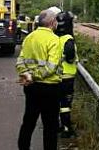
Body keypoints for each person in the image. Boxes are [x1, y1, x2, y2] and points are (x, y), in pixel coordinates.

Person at [16, 9, 62, 150]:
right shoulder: (55, 40)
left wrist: (27, 75)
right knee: (50, 126)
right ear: (52, 23)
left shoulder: (29, 38)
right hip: (50, 89)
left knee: (28, 121)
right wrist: (35, 75)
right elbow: (51, 67)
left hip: (31, 87)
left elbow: (20, 61)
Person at [55, 10, 78, 138]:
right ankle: (67, 128)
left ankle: (58, 126)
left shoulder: (54, 38)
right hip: (67, 77)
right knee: (65, 105)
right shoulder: (68, 40)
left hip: (54, 77)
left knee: (57, 104)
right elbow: (70, 57)